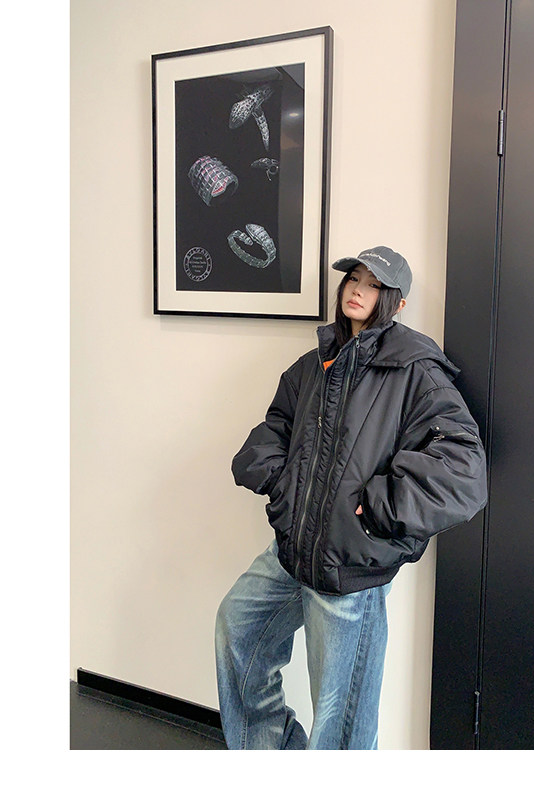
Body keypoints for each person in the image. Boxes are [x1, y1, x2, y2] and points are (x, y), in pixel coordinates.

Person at [215, 245, 488, 749]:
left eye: (374, 284)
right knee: (238, 631)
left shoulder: (415, 371)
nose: (358, 290)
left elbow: (463, 470)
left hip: (350, 570)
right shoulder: (314, 365)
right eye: (353, 279)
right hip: (293, 551)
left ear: (397, 302)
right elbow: (277, 428)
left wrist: (377, 507)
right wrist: (282, 485)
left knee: (339, 721)